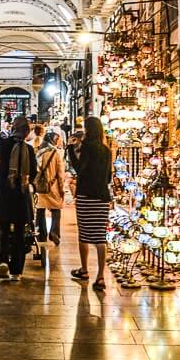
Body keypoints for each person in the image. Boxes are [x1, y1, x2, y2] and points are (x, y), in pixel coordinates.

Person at [0, 116, 37, 281]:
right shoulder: (29, 150)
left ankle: (2, 261)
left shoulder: (3, 144)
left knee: (3, 230)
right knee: (19, 233)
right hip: (20, 196)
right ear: (26, 132)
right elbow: (33, 174)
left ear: (13, 128)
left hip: (3, 195)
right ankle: (16, 271)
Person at [69, 116, 112, 292]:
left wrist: (71, 151)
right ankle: (101, 276)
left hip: (86, 195)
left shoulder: (87, 147)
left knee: (84, 233)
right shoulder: (106, 150)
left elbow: (80, 169)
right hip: (102, 196)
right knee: (100, 236)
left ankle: (85, 269)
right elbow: (109, 176)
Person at [35, 131, 66, 246]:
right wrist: (62, 189)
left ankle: (40, 234)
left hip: (40, 186)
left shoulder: (38, 152)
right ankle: (54, 232)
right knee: (56, 210)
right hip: (53, 186)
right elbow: (61, 173)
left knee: (40, 210)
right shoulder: (56, 153)